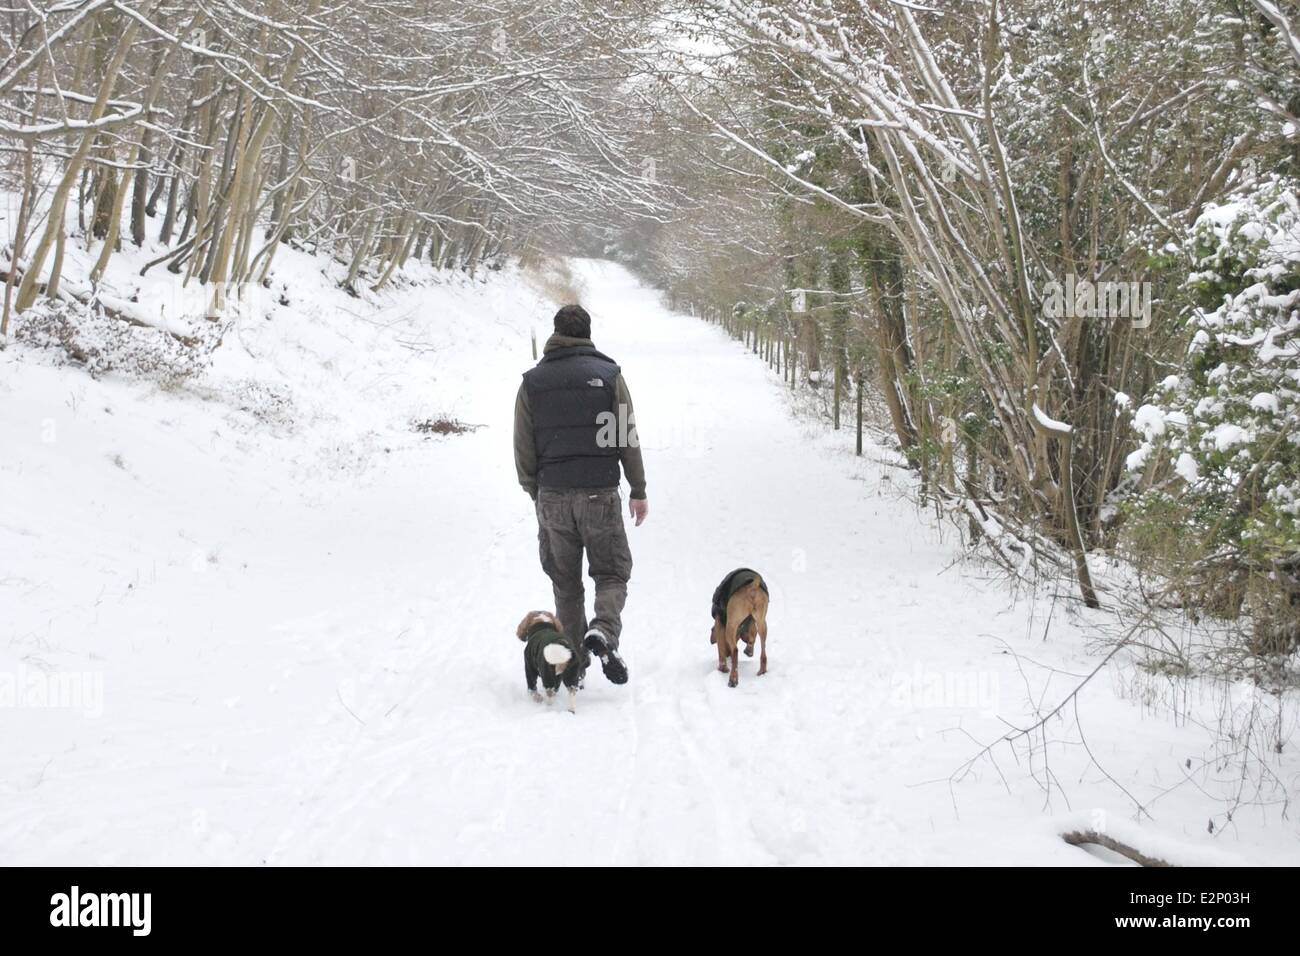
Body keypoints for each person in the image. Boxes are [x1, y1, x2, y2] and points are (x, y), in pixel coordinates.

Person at [513, 304, 648, 685]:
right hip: (599, 495)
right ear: (588, 334)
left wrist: (535, 491)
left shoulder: (532, 383)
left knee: (565, 582)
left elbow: (523, 445)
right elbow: (626, 437)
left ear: (556, 333)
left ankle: (573, 666)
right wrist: (637, 489)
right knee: (612, 573)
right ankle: (603, 630)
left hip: (553, 496)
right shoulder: (608, 376)